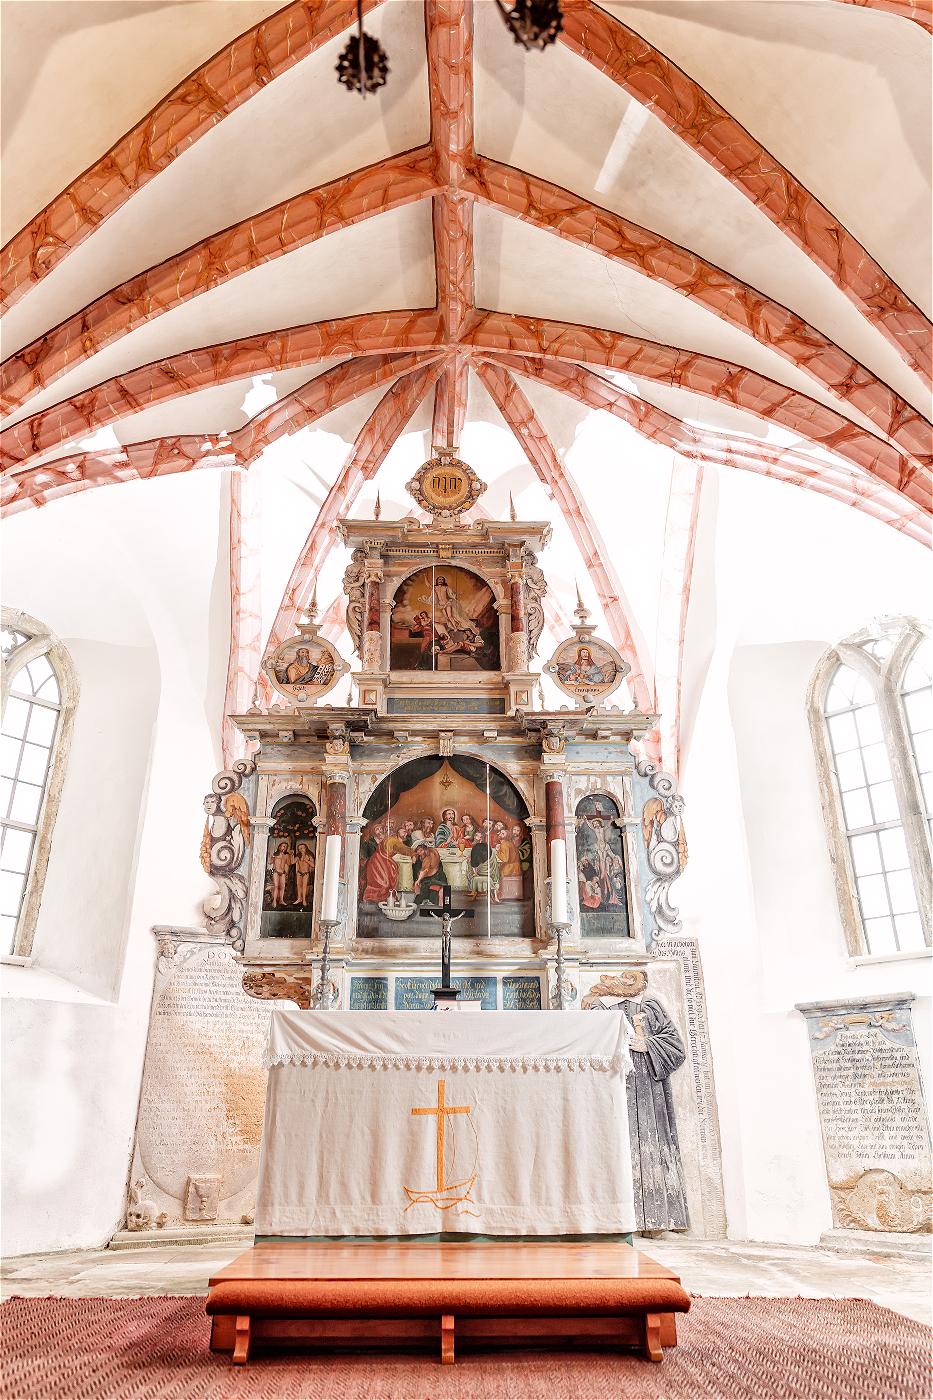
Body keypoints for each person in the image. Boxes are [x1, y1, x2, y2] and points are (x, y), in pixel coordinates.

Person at [582, 969, 689, 1232]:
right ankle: (612, 1220)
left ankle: (657, 1220)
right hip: (613, 1088)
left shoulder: (650, 1006)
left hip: (649, 1091)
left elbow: (676, 1046)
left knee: (652, 1147)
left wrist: (648, 1045)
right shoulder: (598, 1009)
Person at [269, 840, 292, 908]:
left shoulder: (286, 855)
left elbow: (289, 863)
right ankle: (274, 901)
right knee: (276, 886)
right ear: (280, 847)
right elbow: (270, 862)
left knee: (282, 887)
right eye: (283, 846)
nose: (284, 848)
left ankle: (281, 900)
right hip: (276, 872)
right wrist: (270, 856)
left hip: (283, 873)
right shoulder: (275, 854)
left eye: (286, 847)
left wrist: (291, 855)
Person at [294, 842, 314, 908]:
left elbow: (313, 865)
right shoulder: (298, 856)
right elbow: (292, 862)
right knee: (299, 886)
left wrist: (307, 861)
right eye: (299, 848)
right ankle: (299, 898)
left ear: (306, 848)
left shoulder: (309, 856)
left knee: (304, 886)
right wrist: (292, 855)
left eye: (302, 848)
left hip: (306, 873)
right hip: (299, 873)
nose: (301, 849)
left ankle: (304, 900)